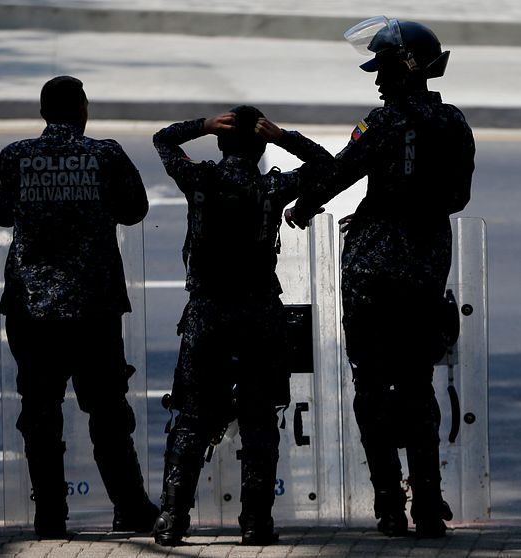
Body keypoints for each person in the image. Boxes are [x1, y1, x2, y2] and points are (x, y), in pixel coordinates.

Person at [285, 16, 474, 538]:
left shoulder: (382, 122)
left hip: (370, 273)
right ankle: (430, 505)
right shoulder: (455, 123)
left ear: (408, 68)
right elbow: (459, 196)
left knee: (370, 386)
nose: (376, 80)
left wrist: (304, 204)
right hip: (424, 273)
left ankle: (390, 505)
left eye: (384, 68)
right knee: (418, 386)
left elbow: (340, 169)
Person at [151, 106, 331, 546]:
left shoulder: (200, 179)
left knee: (193, 418)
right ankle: (256, 523)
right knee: (258, 421)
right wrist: (283, 136)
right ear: (261, 145)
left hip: (208, 313)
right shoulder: (272, 187)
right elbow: (327, 165)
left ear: (220, 142)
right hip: (259, 314)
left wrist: (202, 125)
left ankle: (173, 519)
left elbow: (163, 140)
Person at [0, 75, 156, 538]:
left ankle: (51, 517)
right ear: (81, 110)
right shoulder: (105, 154)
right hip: (93, 307)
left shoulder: (16, 156)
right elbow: (135, 209)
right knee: (107, 411)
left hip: (32, 307)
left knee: (40, 411)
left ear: (44, 113)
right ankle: (132, 508)